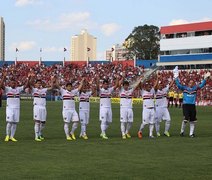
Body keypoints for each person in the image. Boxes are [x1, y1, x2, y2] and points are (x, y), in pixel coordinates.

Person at [173, 66, 211, 137]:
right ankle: (182, 131)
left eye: (192, 82)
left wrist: (205, 79)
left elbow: (202, 85)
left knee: (192, 120)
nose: (191, 83)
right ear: (188, 83)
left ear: (193, 83)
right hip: (186, 105)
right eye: (190, 82)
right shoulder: (184, 88)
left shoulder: (195, 88)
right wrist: (175, 78)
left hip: (192, 106)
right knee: (185, 119)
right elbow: (178, 84)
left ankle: (191, 133)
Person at [0, 73, 29, 142]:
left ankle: (12, 136)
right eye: (12, 83)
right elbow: (1, 85)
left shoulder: (18, 89)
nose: (13, 84)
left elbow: (26, 86)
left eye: (14, 83)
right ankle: (7, 135)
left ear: (16, 84)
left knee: (15, 123)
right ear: (10, 84)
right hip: (9, 108)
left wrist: (28, 78)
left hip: (17, 108)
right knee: (9, 122)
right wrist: (3, 77)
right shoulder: (8, 89)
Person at [29, 76, 55, 142]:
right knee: (37, 122)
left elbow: (51, 87)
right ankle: (36, 136)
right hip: (37, 107)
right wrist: (31, 78)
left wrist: (52, 80)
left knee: (43, 122)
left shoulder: (44, 90)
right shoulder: (34, 89)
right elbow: (29, 84)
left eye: (40, 83)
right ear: (35, 84)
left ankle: (40, 133)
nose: (39, 84)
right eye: (38, 83)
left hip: (43, 107)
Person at [118, 74, 142, 139]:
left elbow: (136, 86)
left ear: (128, 86)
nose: (126, 86)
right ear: (123, 86)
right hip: (123, 108)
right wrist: (122, 77)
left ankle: (127, 132)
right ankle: (123, 133)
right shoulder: (121, 91)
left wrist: (140, 80)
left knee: (130, 122)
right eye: (125, 85)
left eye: (127, 85)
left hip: (130, 108)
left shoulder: (130, 91)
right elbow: (118, 84)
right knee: (123, 122)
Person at [138, 74, 158, 139]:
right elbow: (139, 86)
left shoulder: (152, 91)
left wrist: (158, 78)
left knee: (152, 123)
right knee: (145, 123)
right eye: (148, 86)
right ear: (145, 87)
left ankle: (151, 134)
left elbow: (155, 85)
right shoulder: (143, 92)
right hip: (146, 109)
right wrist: (140, 79)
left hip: (152, 109)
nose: (149, 87)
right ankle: (140, 131)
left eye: (150, 86)